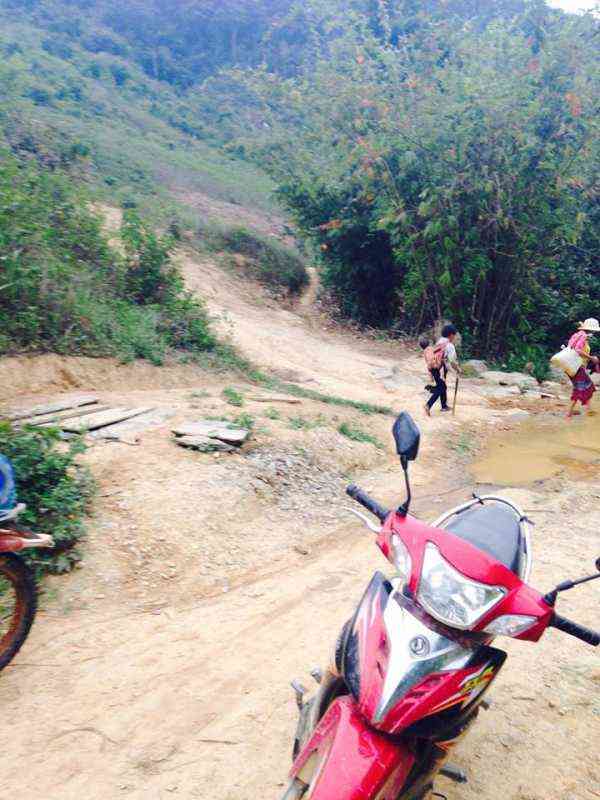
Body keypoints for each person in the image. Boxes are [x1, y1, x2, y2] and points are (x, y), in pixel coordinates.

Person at [424, 323, 461, 416]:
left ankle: (444, 406)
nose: (454, 337)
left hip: (433, 367)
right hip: (440, 368)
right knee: (442, 387)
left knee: (442, 385)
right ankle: (428, 405)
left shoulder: (440, 341)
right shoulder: (449, 345)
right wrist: (457, 369)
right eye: (454, 335)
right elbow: (452, 361)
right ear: (451, 335)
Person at [566, 318, 600, 419]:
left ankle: (589, 410)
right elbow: (578, 350)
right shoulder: (583, 336)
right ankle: (569, 414)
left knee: (587, 386)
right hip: (576, 366)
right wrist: (591, 358)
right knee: (580, 388)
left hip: (571, 365)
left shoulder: (577, 335)